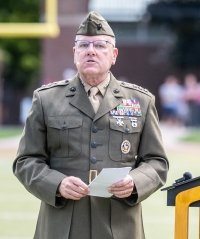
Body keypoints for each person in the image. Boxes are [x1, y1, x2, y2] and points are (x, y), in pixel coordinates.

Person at [12, 11, 168, 239]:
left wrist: (135, 182)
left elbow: (157, 161)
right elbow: (25, 160)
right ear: (74, 53)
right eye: (84, 45)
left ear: (114, 54)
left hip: (119, 225)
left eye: (100, 45)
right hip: (62, 225)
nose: (91, 51)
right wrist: (57, 184)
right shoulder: (46, 100)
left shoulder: (140, 101)